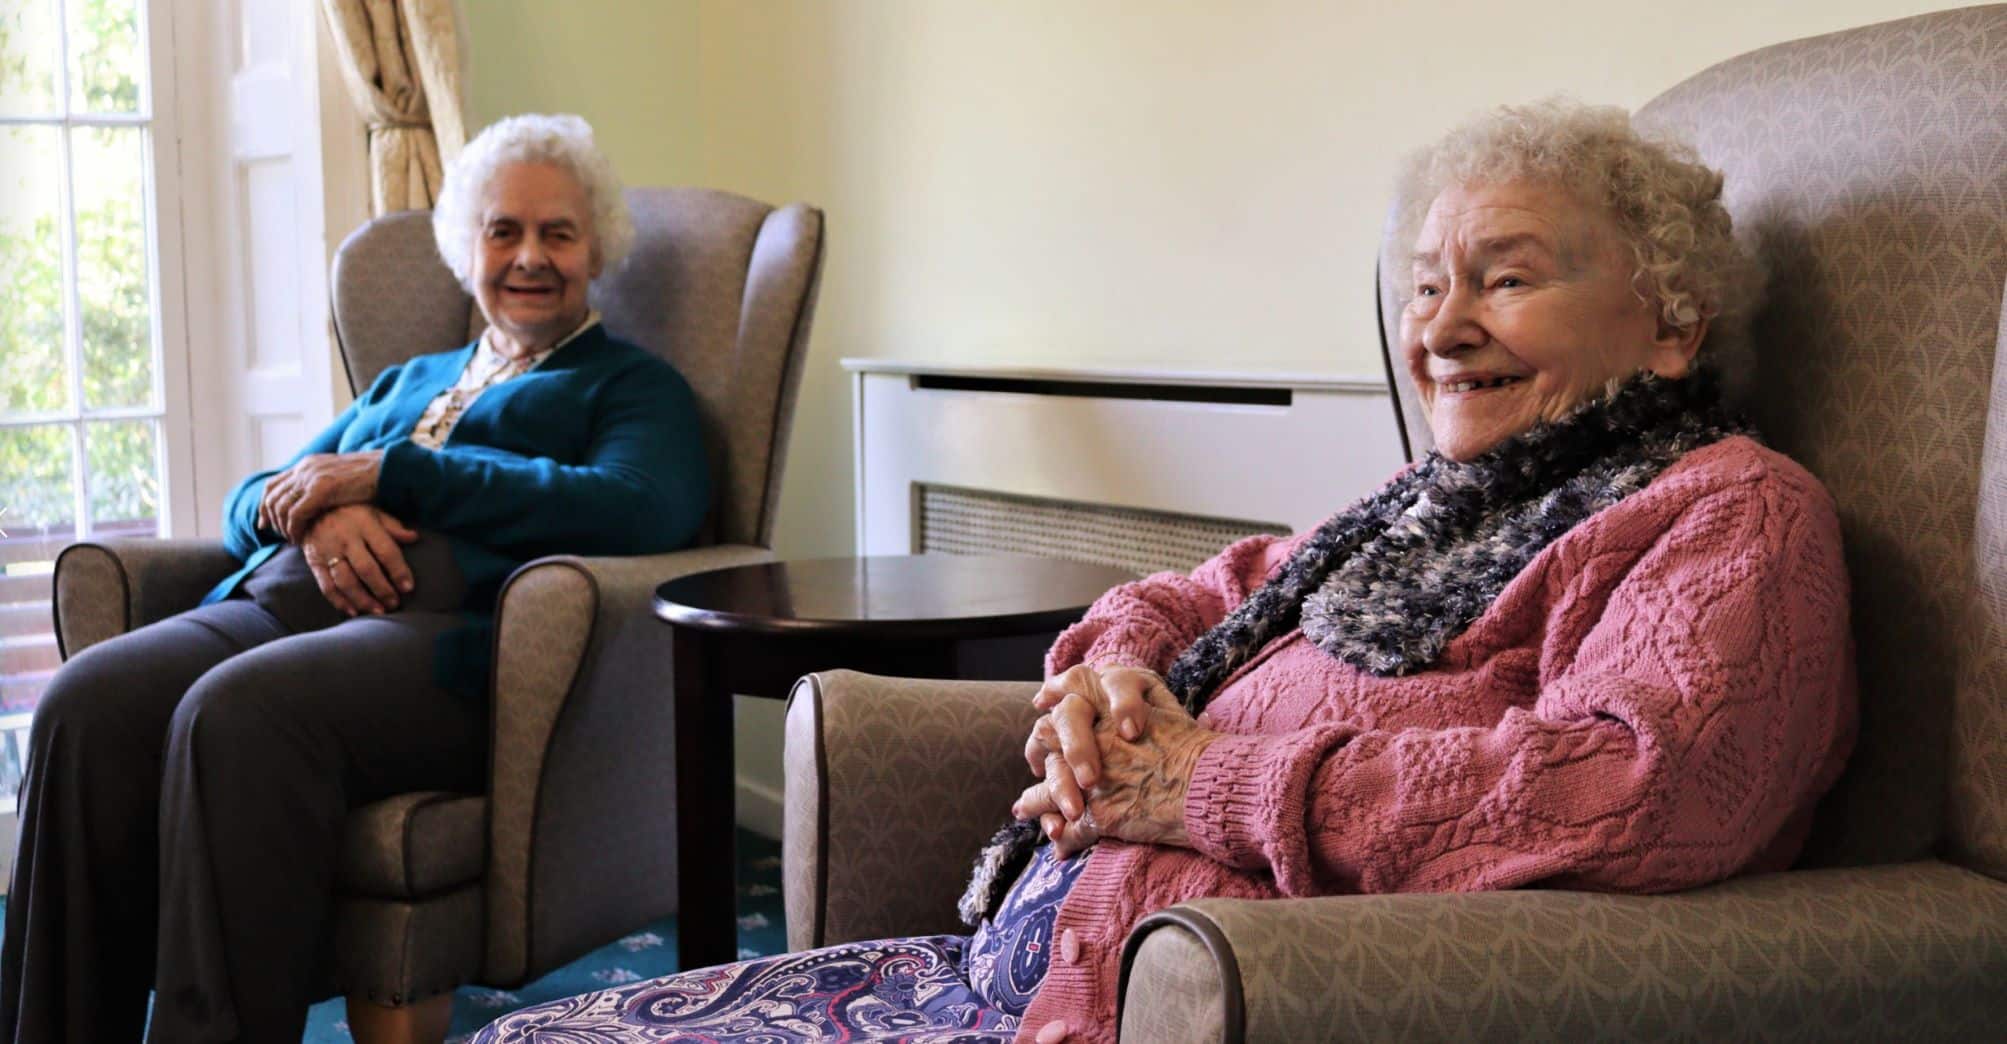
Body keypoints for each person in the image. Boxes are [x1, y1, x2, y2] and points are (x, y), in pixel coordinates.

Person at [474, 100, 1856, 1044]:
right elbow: (1207, 589)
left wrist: (1205, 783)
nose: (1438, 327)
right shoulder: (1431, 504)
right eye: (1423, 284)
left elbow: (1640, 791)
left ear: (1670, 324)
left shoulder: (1724, 514)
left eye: (1501, 278)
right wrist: (1110, 673)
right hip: (1020, 993)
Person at [0, 113, 710, 1043]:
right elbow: (251, 500)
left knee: (240, 713)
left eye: (557, 233)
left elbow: (641, 505)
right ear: (469, 249)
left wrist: (393, 474)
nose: (529, 256)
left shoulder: (627, 387)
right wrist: (321, 506)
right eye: (503, 230)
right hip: (276, 604)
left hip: (437, 643)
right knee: (87, 702)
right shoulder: (405, 384)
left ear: (597, 250)